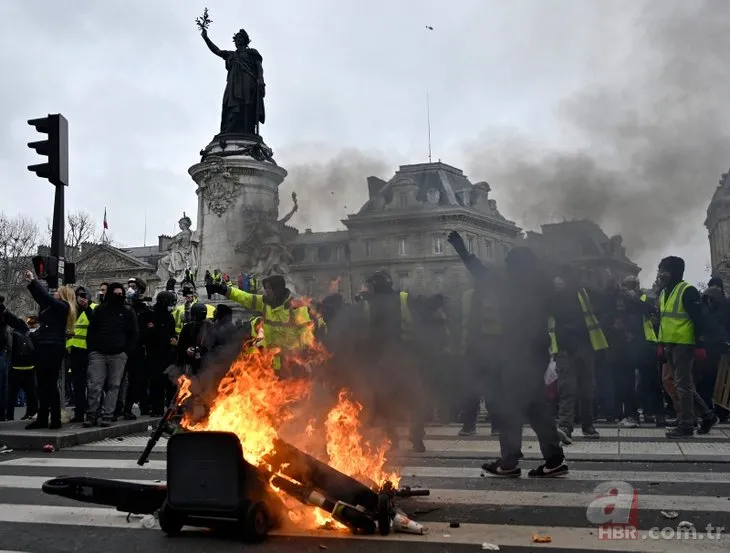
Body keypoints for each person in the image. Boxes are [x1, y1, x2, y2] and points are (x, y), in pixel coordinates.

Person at [448, 231, 567, 477]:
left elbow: (480, 271)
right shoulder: (543, 286)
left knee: (509, 408)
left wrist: (461, 251)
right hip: (536, 354)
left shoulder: (510, 284)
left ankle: (509, 462)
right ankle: (554, 459)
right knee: (536, 407)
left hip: (516, 355)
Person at [656, 256, 717, 438]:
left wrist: (699, 345)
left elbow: (699, 320)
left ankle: (686, 424)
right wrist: (661, 344)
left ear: (672, 271)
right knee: (683, 385)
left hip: (684, 344)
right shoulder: (665, 292)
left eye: (662, 270)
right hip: (670, 344)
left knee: (682, 385)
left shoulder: (687, 290)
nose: (659, 274)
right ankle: (706, 415)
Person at [548, 270, 607, 444]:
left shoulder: (583, 293)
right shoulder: (550, 298)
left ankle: (587, 425)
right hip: (565, 349)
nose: (557, 282)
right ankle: (566, 426)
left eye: (560, 279)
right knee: (567, 389)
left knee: (587, 389)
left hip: (584, 347)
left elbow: (604, 303)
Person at [22, 270, 76, 430]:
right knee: (43, 383)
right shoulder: (52, 307)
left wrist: (34, 282)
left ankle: (55, 418)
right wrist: (31, 285)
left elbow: (44, 297)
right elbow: (41, 298)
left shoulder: (63, 307)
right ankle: (43, 416)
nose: (54, 294)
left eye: (58, 293)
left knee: (50, 383)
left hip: (52, 346)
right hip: (45, 345)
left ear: (64, 295)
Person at [84, 282, 138, 427]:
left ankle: (108, 414)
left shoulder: (127, 311)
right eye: (115, 294)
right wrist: (92, 350)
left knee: (114, 386)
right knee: (95, 385)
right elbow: (92, 331)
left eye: (120, 294)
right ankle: (92, 414)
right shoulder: (100, 310)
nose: (118, 297)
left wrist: (126, 351)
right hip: (98, 353)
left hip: (118, 354)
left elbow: (133, 333)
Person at [66, 286, 97, 423]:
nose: (81, 297)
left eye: (83, 295)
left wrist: (87, 307)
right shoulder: (71, 310)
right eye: (78, 295)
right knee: (78, 385)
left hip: (89, 351)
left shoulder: (93, 308)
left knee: (93, 384)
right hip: (74, 352)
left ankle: (93, 411)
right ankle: (79, 412)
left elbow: (96, 323)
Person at [6, 320, 37, 421]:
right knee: (31, 394)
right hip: (30, 369)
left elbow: (9, 348)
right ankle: (30, 413)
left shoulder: (13, 334)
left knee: (12, 395)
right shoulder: (30, 335)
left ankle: (9, 415)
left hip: (16, 369)